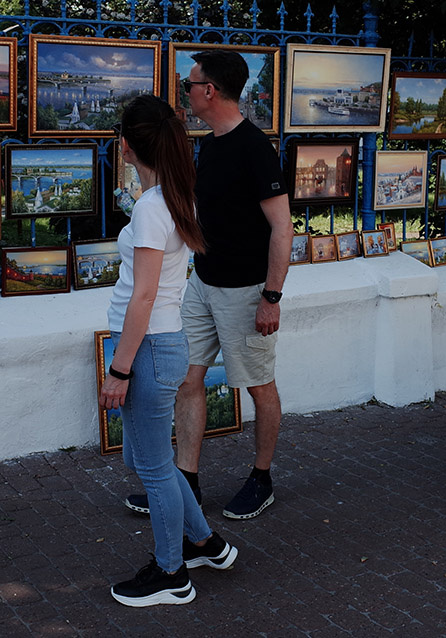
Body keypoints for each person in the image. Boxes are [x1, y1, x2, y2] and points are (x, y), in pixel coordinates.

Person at [125, 50, 293, 521]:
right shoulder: (212, 144)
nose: (186, 92)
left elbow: (282, 228)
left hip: (247, 290)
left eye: (190, 84)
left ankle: (261, 478)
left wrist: (271, 297)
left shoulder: (254, 148)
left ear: (210, 91)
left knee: (258, 385)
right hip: (203, 282)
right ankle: (186, 484)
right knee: (188, 379)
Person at [101, 95, 238, 608]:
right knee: (150, 459)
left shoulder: (152, 207)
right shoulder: (173, 197)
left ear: (127, 145)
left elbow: (144, 295)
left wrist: (119, 370)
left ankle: (170, 574)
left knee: (155, 468)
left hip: (148, 348)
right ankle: (204, 542)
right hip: (162, 345)